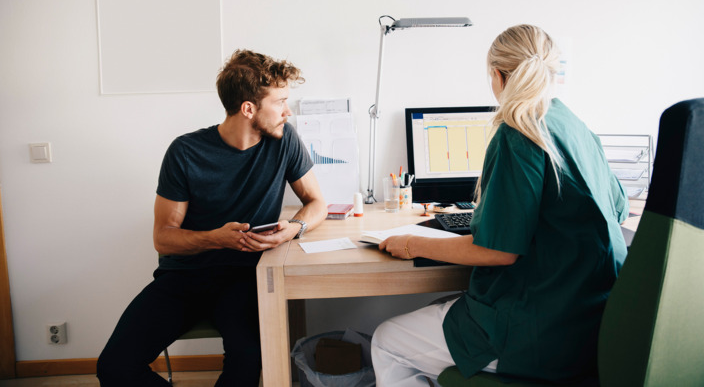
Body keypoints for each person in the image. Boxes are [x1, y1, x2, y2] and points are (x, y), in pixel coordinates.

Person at [371, 25, 629, 386]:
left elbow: (497, 251)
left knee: (387, 340)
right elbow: (618, 209)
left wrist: (411, 242)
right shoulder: (575, 125)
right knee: (440, 309)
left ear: (497, 75)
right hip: (592, 323)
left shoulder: (519, 132)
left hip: (542, 333)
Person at [97, 49, 327, 386]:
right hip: (184, 277)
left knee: (247, 360)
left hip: (244, 277)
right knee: (114, 367)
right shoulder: (185, 152)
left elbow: (317, 202)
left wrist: (293, 229)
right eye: (280, 102)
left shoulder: (284, 140)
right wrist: (215, 238)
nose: (287, 112)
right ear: (249, 108)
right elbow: (163, 237)